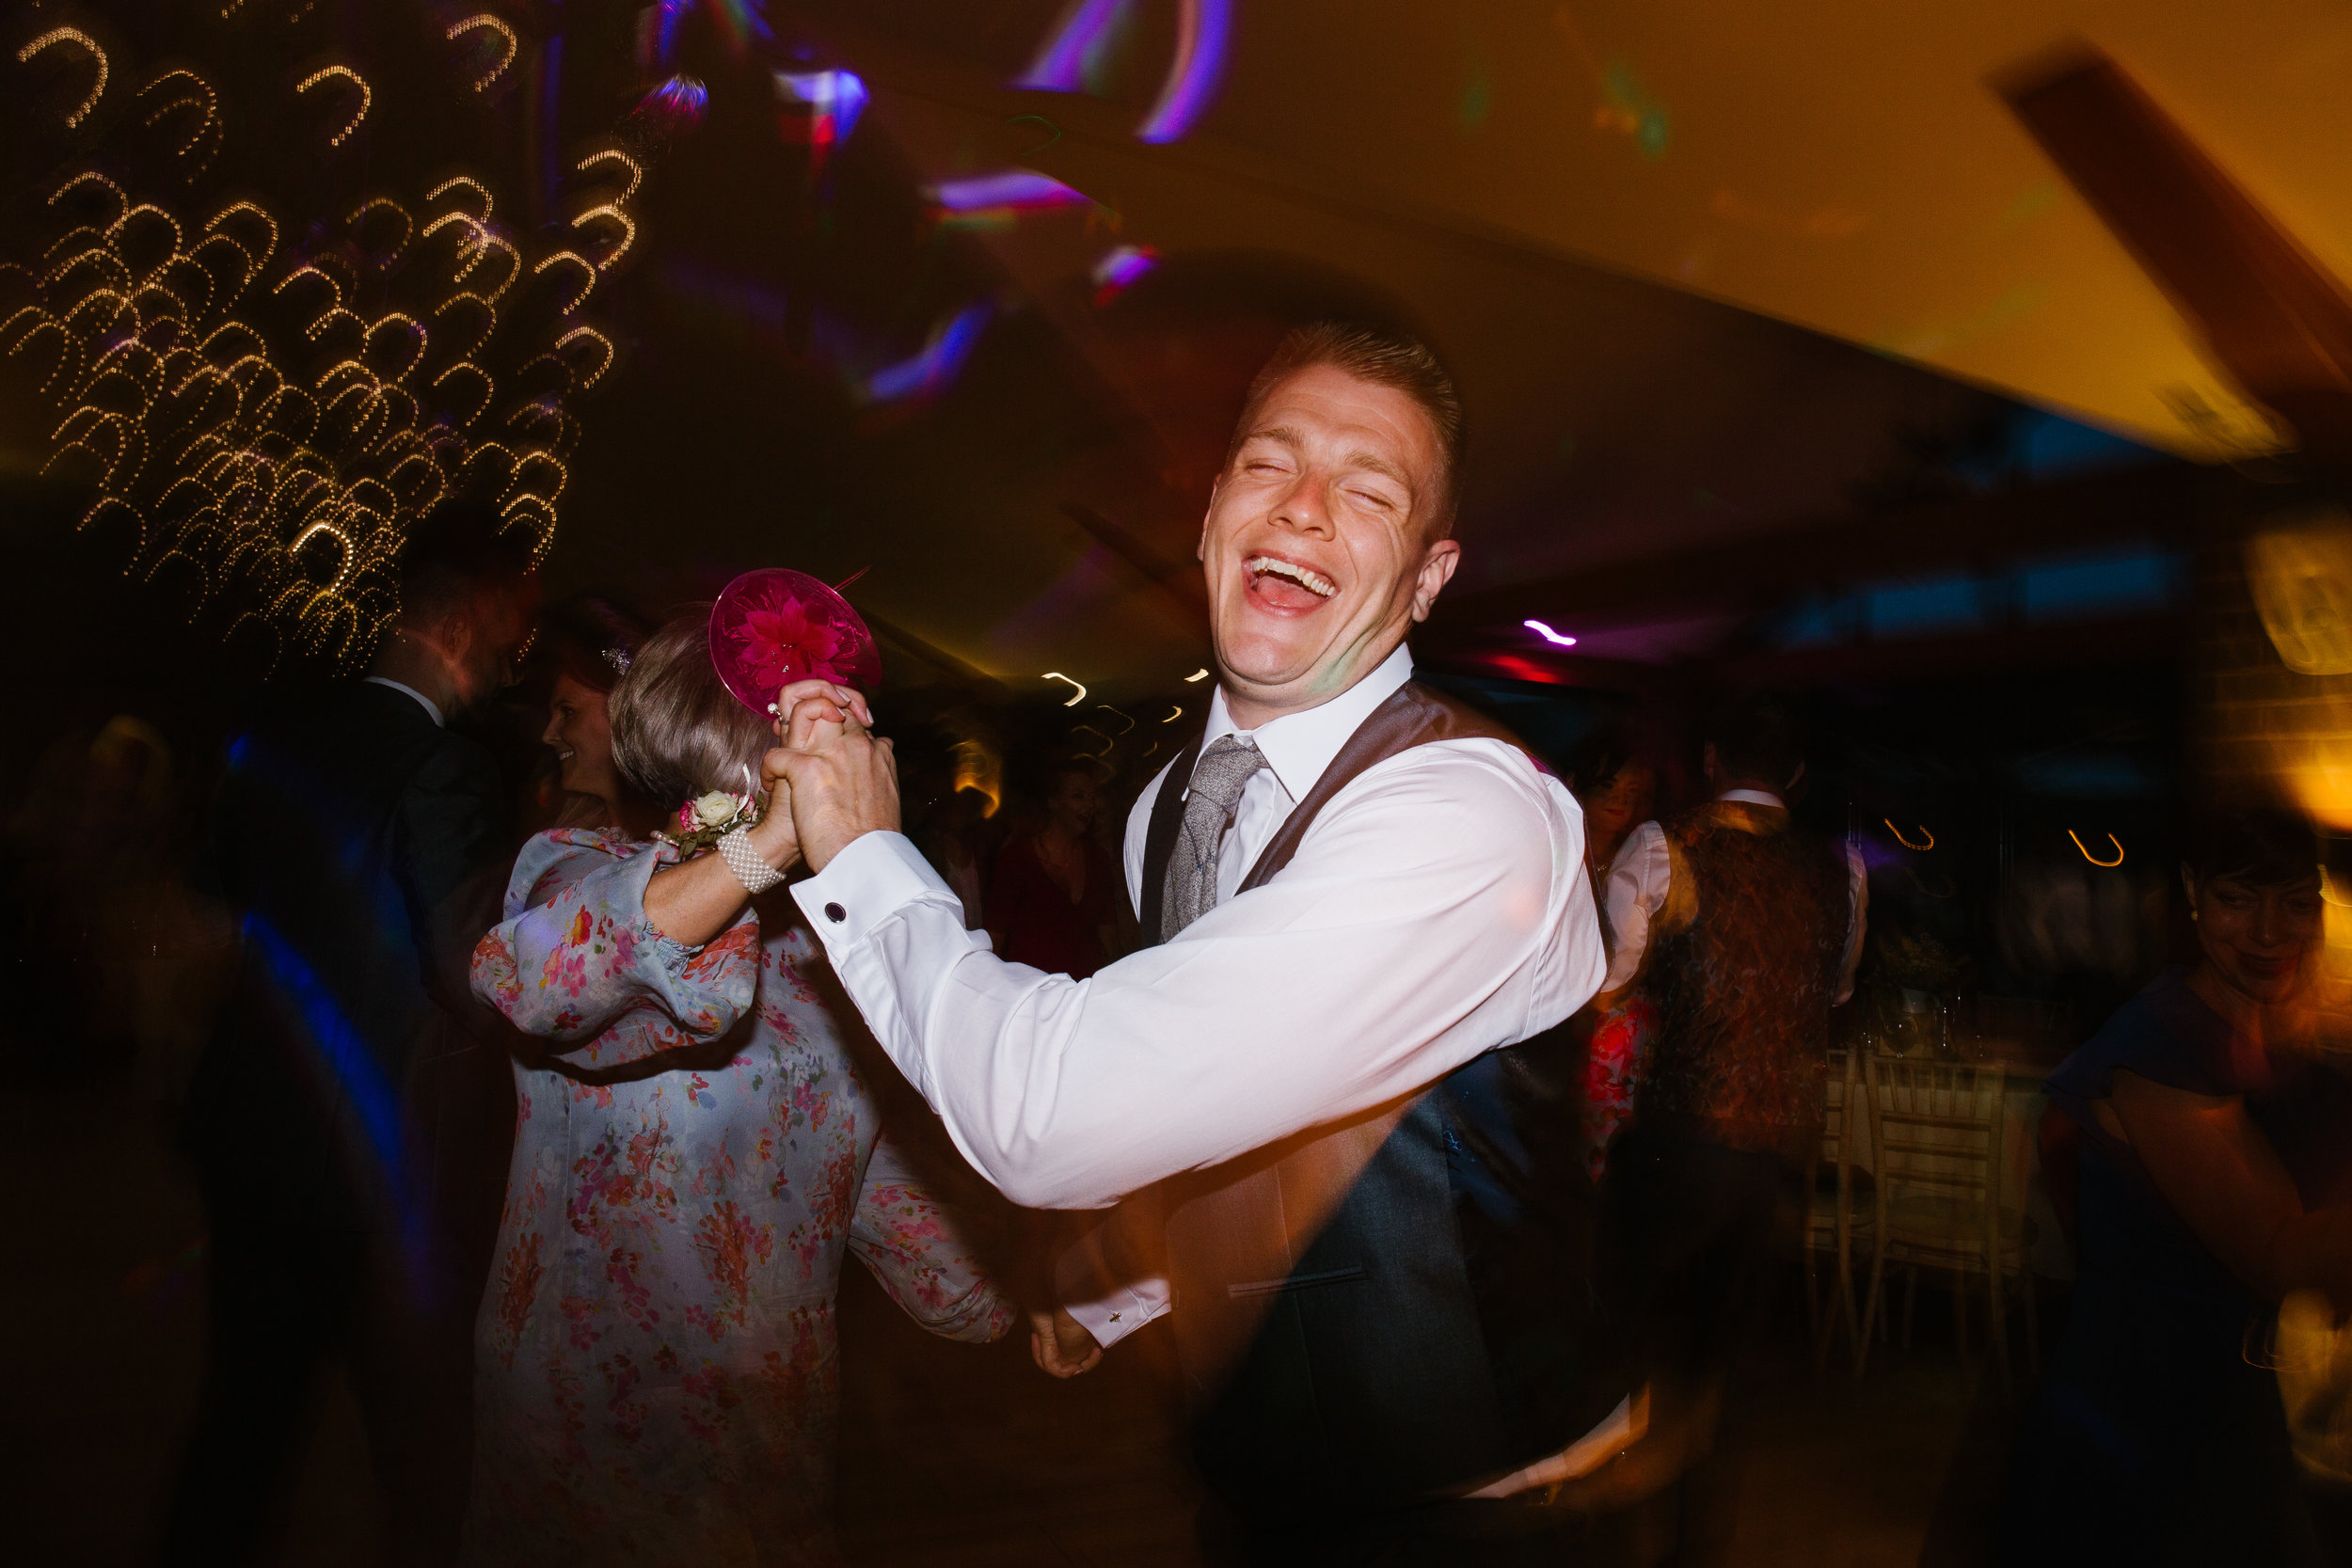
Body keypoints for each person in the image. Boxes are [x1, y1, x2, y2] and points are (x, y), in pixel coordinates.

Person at [765, 322, 1635, 1561]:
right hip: (1253, 1485)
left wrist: (859, 852)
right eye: (1271, 463)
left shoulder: (1475, 815)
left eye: (1369, 489)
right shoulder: (1160, 805)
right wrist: (1122, 1279)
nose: (1309, 507)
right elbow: (1226, 1088)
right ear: (1213, 507)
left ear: (1430, 578)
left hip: (1480, 1509)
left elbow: (1051, 1113)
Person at [460, 610, 1014, 1568]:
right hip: (589, 1420)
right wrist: (763, 846)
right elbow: (527, 980)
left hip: (765, 1432)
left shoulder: (832, 952)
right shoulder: (575, 866)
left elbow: (876, 1177)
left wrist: (1044, 1294)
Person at [163, 502, 540, 1566]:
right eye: (516, 622)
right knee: (428, 1460)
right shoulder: (448, 769)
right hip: (379, 1173)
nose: (520, 653)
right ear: (464, 625)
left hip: (248, 1139)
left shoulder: (270, 732)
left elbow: (209, 921)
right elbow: (476, 975)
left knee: (239, 1434)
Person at [2004, 808, 2352, 1567]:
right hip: (2144, 1423)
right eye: (2238, 899)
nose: (2268, 932)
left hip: (2241, 1410)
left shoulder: (2279, 1037)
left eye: (2295, 902)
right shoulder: (2155, 1051)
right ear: (2193, 892)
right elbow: (2281, 1253)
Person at [1594, 699, 1866, 1566]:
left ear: (1712, 759)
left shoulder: (1663, 847)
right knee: (1721, 1379)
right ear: (1796, 775)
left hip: (1674, 1146)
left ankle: (1602, 1542)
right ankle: (1695, 1547)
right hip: (1776, 1162)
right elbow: (1831, 993)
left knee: (1616, 1360)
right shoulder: (1843, 870)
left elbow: (1604, 980)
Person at [1567, 726, 1659, 1178]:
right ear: (1580, 784)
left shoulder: (1641, 859)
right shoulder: (1561, 852)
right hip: (1564, 1016)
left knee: (1614, 1146)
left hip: (1619, 1024)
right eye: (1608, 786)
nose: (1620, 799)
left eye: (1632, 790)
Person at [533, 594, 656, 832]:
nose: (548, 735)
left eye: (568, 712)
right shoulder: (567, 844)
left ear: (622, 716)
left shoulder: (691, 842)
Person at [986, 762, 1120, 978]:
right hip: (1035, 997)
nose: (1089, 805)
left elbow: (1109, 937)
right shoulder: (1018, 859)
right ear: (1054, 802)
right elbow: (994, 938)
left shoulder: (1097, 859)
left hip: (1084, 995)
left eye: (1092, 797)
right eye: (1078, 796)